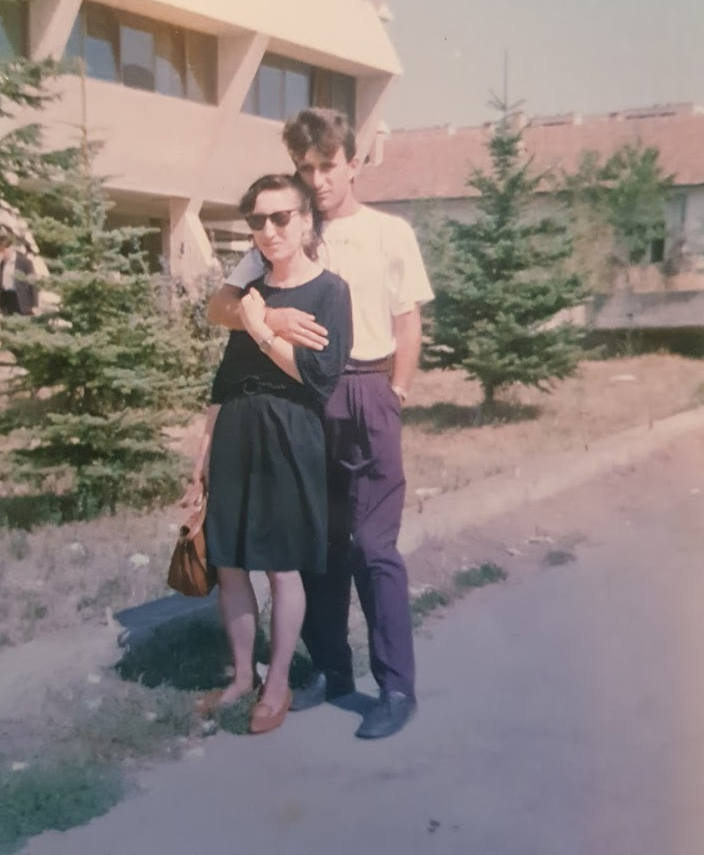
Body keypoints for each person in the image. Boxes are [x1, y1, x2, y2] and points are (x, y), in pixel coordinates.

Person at [207, 108, 433, 740]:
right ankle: (331, 671)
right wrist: (269, 318)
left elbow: (408, 319)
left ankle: (394, 686)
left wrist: (397, 392)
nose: (317, 179)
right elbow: (222, 305)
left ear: (353, 164)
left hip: (365, 389)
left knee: (373, 546)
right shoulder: (289, 229)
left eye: (327, 166)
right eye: (305, 168)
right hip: (302, 403)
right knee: (316, 547)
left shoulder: (390, 233)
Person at [185, 173, 352, 735]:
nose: (269, 230)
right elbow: (225, 376)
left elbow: (317, 377)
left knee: (282, 566)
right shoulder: (249, 291)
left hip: (289, 429)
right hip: (236, 425)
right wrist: (203, 452)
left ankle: (276, 682)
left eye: (281, 217)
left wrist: (261, 330)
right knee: (229, 561)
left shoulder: (330, 291)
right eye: (258, 220)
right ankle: (239, 676)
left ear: (306, 222)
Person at [0, 234, 39, 317]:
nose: (1, 254)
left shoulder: (24, 262)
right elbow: (1, 286)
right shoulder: (2, 264)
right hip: (7, 298)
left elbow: (33, 283)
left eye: (3, 251)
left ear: (9, 248)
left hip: (21, 300)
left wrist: (34, 305)